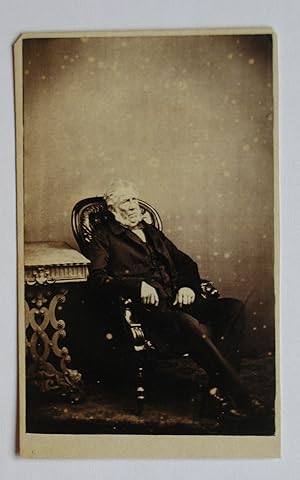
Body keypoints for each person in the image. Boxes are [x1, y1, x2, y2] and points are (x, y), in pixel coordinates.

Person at [87, 179, 262, 418]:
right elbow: (97, 279)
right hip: (148, 311)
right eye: (126, 201)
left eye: (135, 199)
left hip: (177, 300)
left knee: (233, 308)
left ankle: (216, 389)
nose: (135, 205)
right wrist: (136, 286)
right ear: (113, 208)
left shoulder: (152, 232)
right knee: (187, 323)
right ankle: (240, 396)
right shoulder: (103, 236)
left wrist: (187, 287)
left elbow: (186, 263)